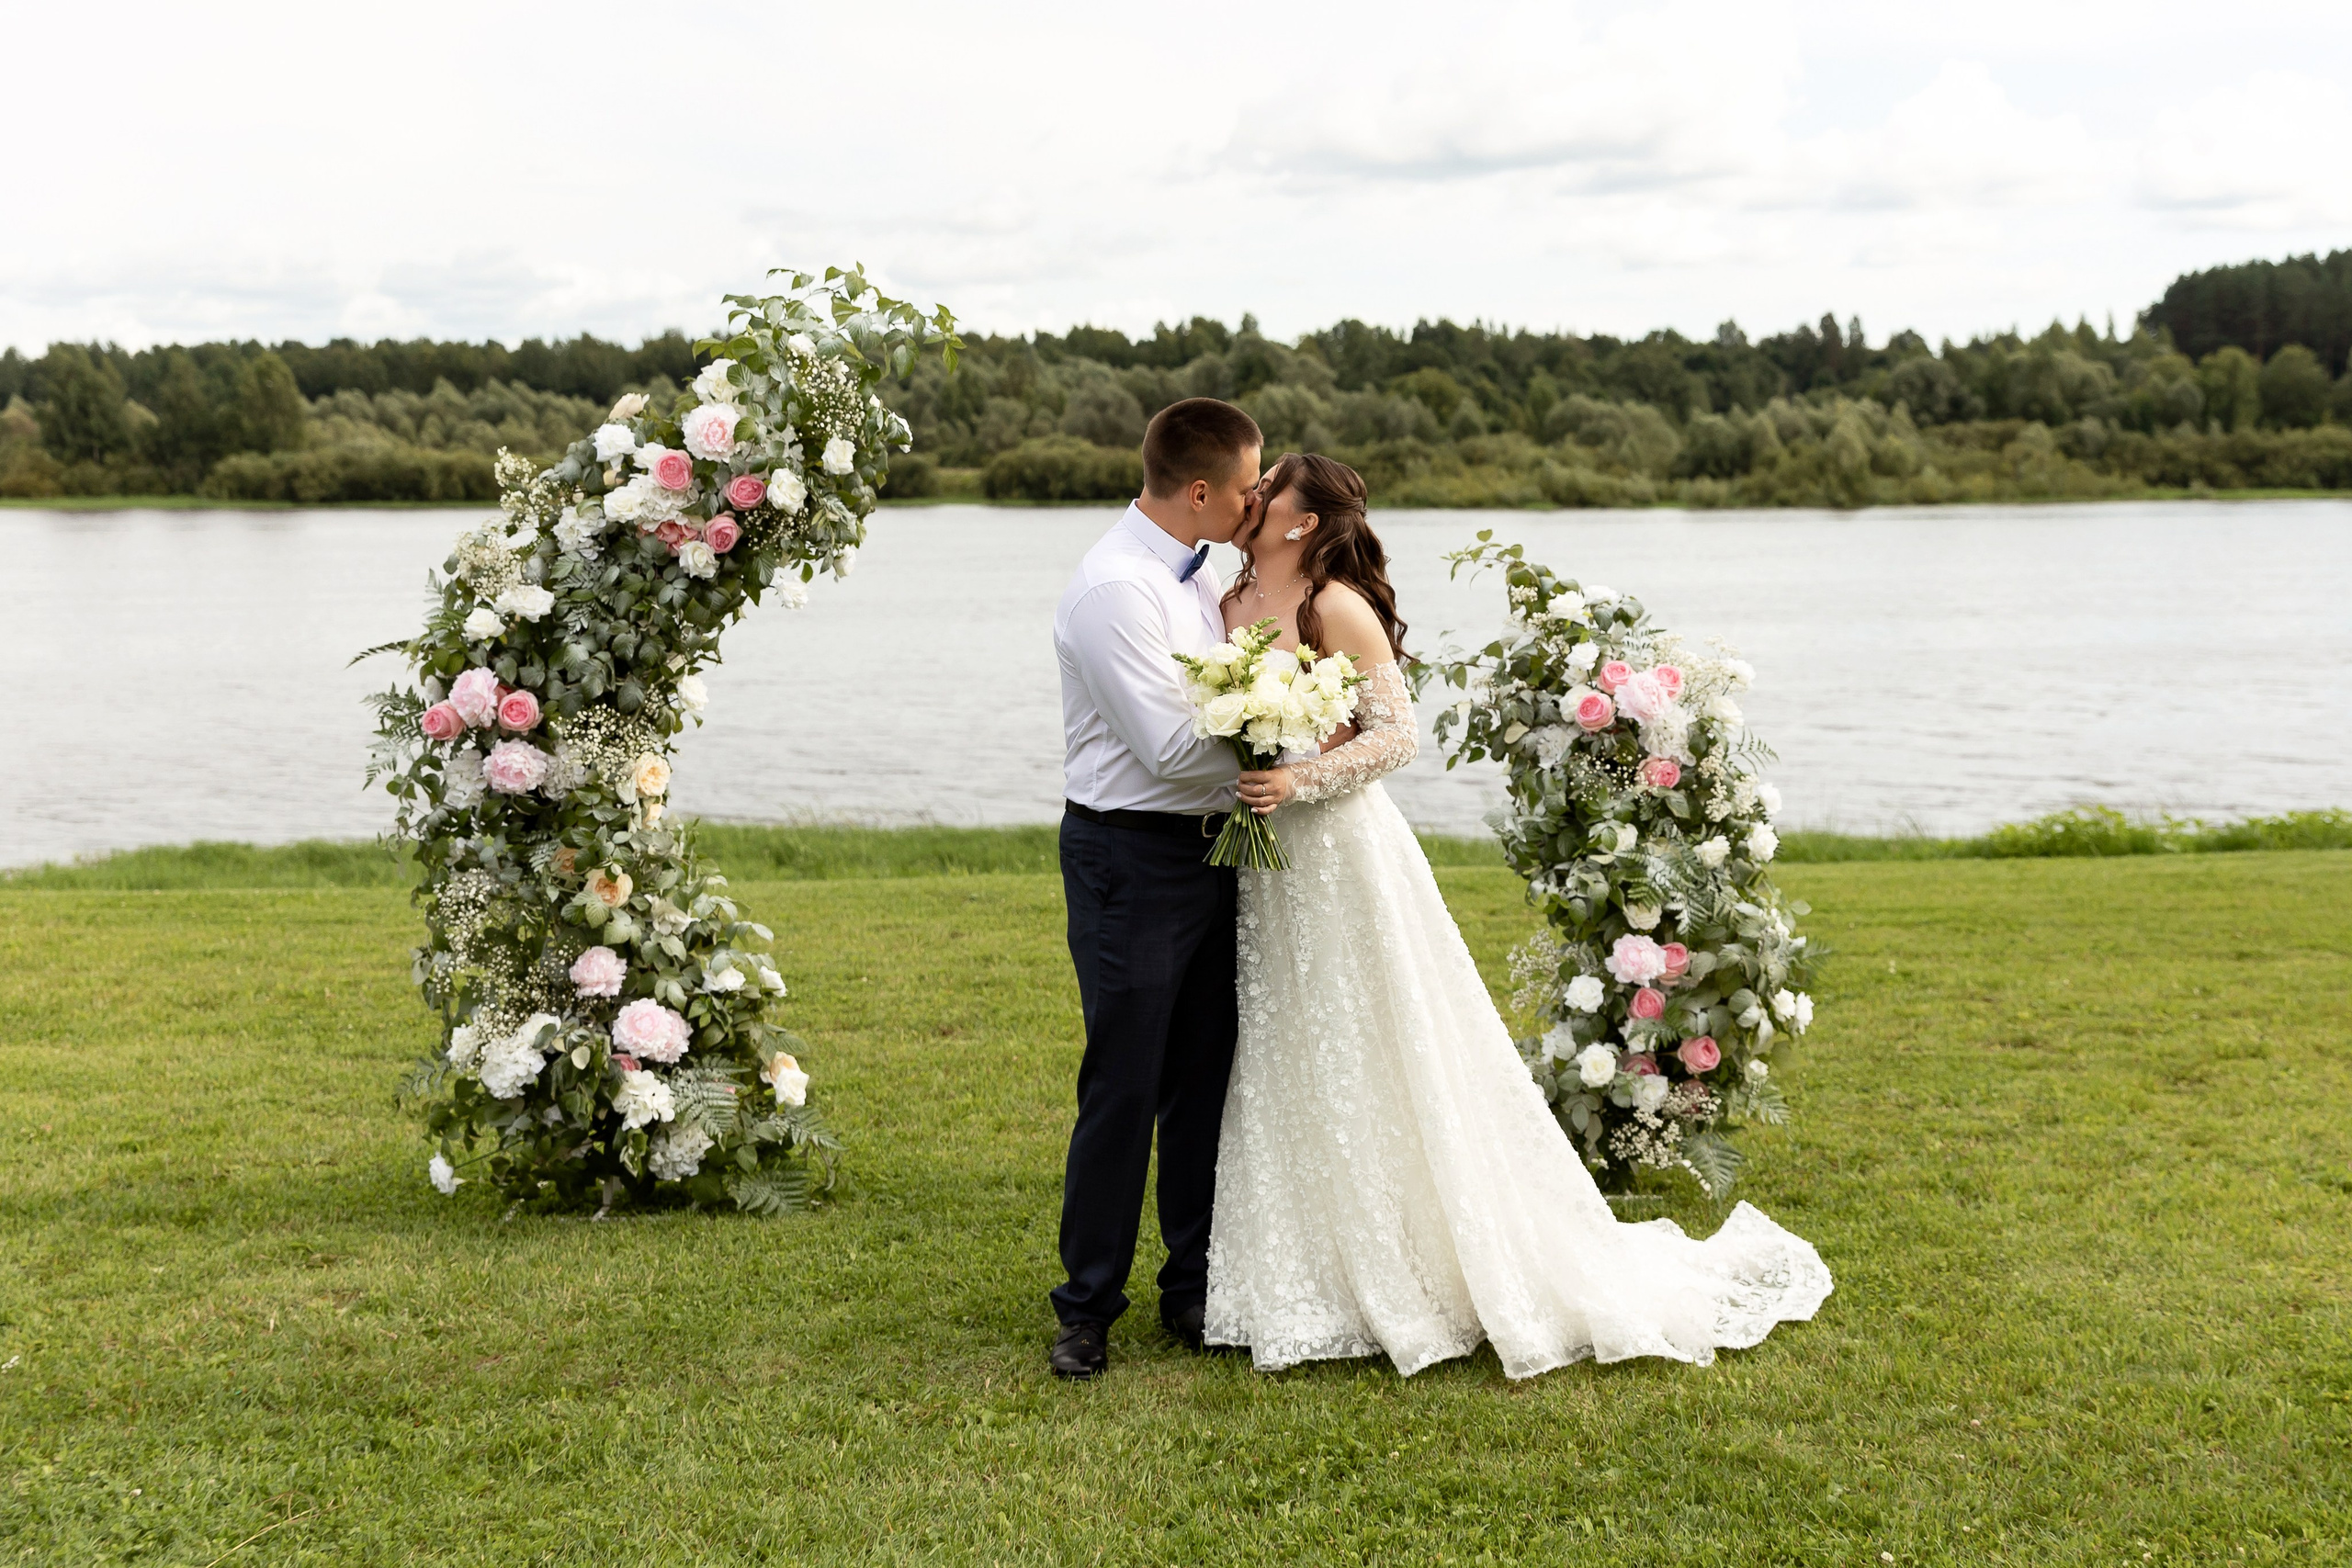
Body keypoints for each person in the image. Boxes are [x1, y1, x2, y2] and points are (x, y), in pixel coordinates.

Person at [1204, 453, 1833, 1377]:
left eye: (1271, 492)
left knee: (1373, 1040)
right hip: (1267, 863)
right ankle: (1300, 1270)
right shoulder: (1230, 596)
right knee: (1289, 1040)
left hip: (1342, 854)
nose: (1252, 498)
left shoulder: (1334, 605)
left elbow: (1398, 737)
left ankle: (1415, 1262)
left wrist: (1296, 776)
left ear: (1301, 521)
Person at [1046, 398, 1264, 1379]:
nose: (1257, 501)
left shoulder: (1204, 574)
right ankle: (1085, 1306)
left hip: (1212, 850)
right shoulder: (1113, 592)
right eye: (1250, 485)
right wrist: (1290, 717)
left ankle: (1194, 1291)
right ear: (1202, 490)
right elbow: (1171, 750)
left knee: (1201, 1079)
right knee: (1124, 1083)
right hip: (1127, 856)